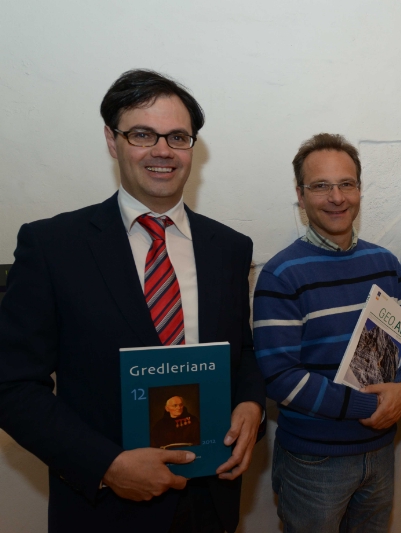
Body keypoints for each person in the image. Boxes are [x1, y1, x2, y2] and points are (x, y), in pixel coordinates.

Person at [0, 69, 266, 533]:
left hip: (210, 502)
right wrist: (106, 465)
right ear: (112, 140)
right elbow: (12, 385)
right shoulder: (52, 246)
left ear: (192, 147)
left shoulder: (229, 248)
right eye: (143, 134)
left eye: (177, 137)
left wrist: (250, 404)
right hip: (104, 511)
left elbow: (239, 352)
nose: (162, 150)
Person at [253, 133, 401, 533]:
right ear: (300, 195)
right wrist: (372, 406)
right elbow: (279, 378)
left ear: (359, 190)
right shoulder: (281, 275)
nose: (336, 197)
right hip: (314, 463)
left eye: (346, 184)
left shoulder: (385, 263)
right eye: (321, 186)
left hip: (380, 453)